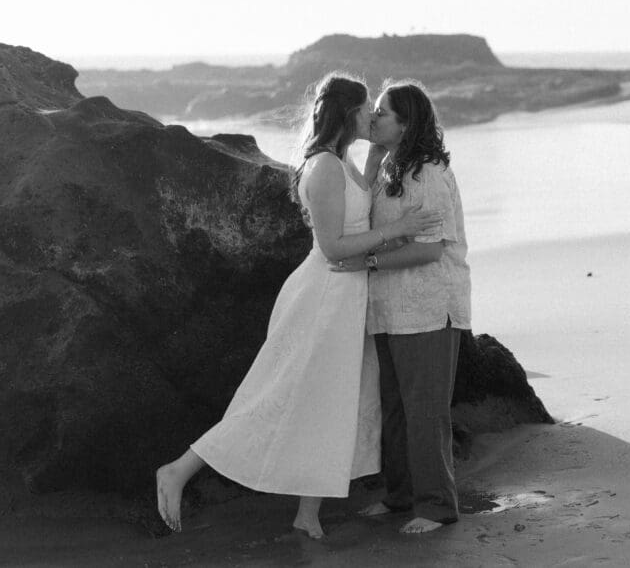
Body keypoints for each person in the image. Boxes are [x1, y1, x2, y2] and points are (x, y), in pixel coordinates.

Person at [155, 73, 441, 539]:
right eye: (368, 108)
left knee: (328, 404)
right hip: (324, 296)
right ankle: (179, 471)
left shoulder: (342, 162)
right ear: (349, 114)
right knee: (276, 396)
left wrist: (374, 157)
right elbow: (333, 246)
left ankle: (307, 514)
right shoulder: (325, 167)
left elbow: (357, 204)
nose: (373, 115)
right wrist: (398, 227)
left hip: (345, 299)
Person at [331, 80, 471, 534]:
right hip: (389, 308)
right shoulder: (391, 165)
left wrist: (368, 261)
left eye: (383, 113)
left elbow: (429, 250)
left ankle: (435, 507)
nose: (373, 118)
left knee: (425, 410)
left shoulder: (427, 171)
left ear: (408, 124)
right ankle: (400, 497)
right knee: (393, 407)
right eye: (372, 110)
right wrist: (371, 159)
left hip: (429, 306)